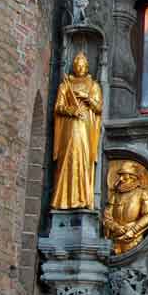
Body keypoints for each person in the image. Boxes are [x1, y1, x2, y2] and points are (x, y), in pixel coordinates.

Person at [51, 52, 103, 209]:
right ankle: (62, 199)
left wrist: (87, 97)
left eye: (82, 65)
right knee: (67, 156)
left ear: (87, 67)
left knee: (83, 158)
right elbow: (58, 107)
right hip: (70, 124)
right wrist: (71, 110)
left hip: (86, 126)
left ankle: (82, 197)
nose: (80, 68)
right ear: (74, 67)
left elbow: (98, 108)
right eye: (77, 65)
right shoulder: (65, 85)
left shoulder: (93, 85)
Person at [103, 161, 148, 254]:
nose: (120, 179)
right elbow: (107, 216)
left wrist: (133, 230)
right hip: (115, 238)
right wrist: (115, 227)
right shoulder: (115, 195)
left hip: (133, 239)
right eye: (120, 175)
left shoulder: (142, 194)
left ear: (133, 177)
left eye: (124, 175)